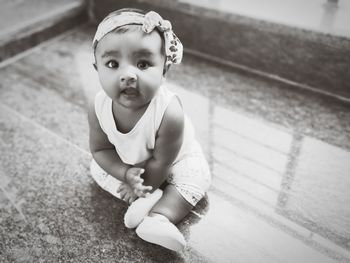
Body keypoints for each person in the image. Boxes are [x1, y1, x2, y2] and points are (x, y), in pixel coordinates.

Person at [88, 8, 211, 251]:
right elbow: (101, 149)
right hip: (130, 161)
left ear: (164, 71)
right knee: (97, 169)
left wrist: (147, 182)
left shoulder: (169, 113)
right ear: (97, 70)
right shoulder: (98, 107)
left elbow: (161, 162)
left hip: (173, 160)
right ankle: (144, 197)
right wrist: (125, 173)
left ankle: (159, 217)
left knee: (196, 177)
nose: (128, 75)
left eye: (143, 64)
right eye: (113, 64)